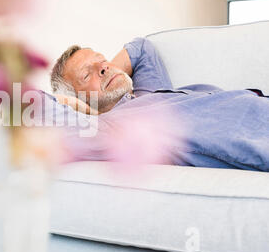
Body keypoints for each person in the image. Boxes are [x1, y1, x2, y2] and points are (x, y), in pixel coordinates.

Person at [48, 37, 269, 171]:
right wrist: (80, 108)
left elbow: (142, 49)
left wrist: (106, 73)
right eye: (87, 75)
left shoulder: (146, 96)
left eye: (102, 60)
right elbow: (28, 107)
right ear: (77, 99)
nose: (103, 67)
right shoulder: (112, 127)